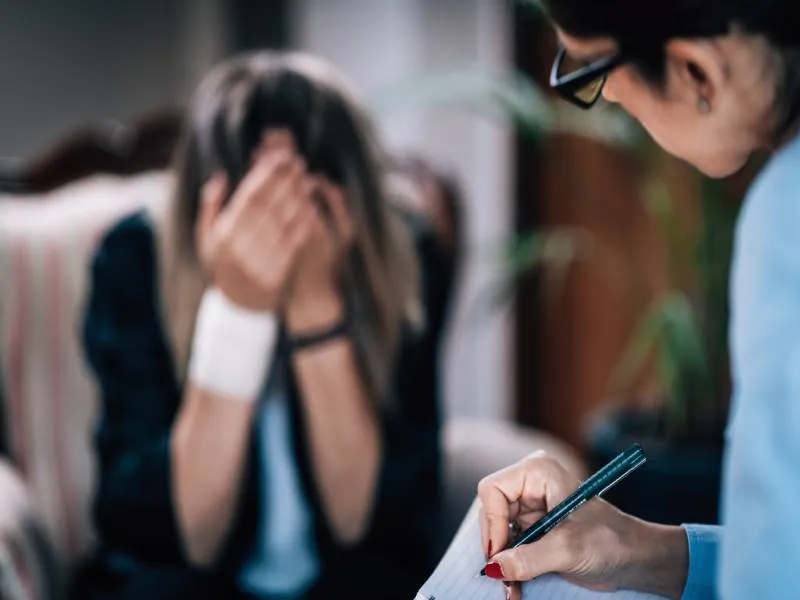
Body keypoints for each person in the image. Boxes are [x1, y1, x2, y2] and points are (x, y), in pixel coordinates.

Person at [75, 52, 451, 600]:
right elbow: (184, 536)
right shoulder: (135, 257)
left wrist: (317, 307)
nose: (280, 221)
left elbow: (367, 523)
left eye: (304, 193)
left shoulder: (404, 258)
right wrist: (238, 310)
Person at [474, 2, 800, 599]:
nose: (613, 101)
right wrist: (636, 550)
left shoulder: (787, 217)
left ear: (696, 71)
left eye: (593, 70)